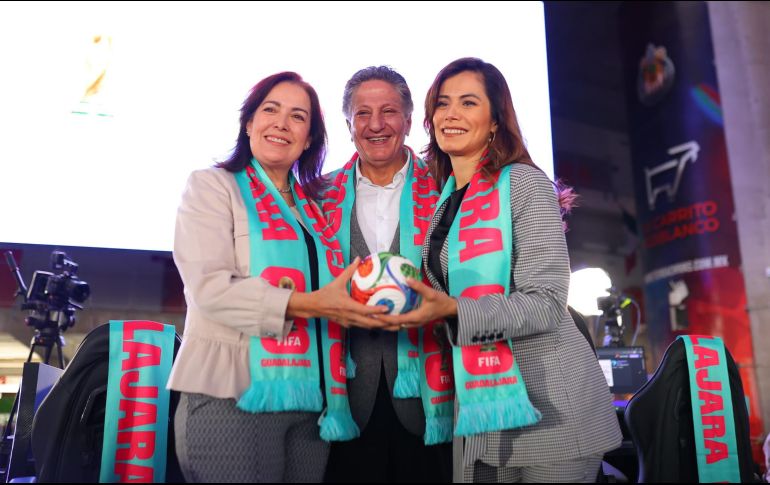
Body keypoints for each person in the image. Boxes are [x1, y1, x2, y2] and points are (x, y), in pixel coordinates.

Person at [380, 57, 623, 483]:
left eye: (468, 103)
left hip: (552, 408)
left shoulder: (525, 182)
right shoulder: (445, 201)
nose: (450, 114)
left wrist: (451, 310)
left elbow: (546, 303)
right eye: (442, 103)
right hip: (481, 413)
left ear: (495, 122)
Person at [167, 71, 388, 483]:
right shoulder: (213, 187)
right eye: (270, 109)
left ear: (309, 139)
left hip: (308, 401)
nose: (282, 123)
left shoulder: (315, 211)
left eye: (298, 116)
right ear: (249, 123)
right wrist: (310, 304)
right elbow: (210, 290)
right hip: (232, 396)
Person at [320, 66, 452, 483]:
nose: (376, 125)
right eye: (362, 113)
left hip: (432, 396)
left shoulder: (448, 188)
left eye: (389, 111)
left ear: (410, 121)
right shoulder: (317, 196)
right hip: (344, 396)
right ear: (348, 124)